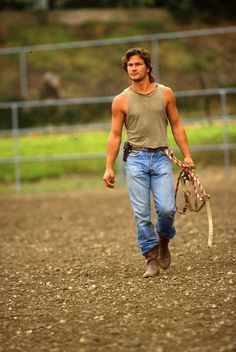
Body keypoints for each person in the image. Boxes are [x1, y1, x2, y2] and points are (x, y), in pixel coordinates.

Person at [103, 47, 194, 278]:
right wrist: (109, 167)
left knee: (166, 209)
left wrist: (187, 156)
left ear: (148, 67)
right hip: (135, 160)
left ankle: (163, 240)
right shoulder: (121, 100)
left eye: (137, 64)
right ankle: (151, 258)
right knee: (142, 214)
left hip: (162, 158)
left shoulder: (165, 94)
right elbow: (114, 135)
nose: (133, 69)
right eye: (129, 66)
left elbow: (176, 125)